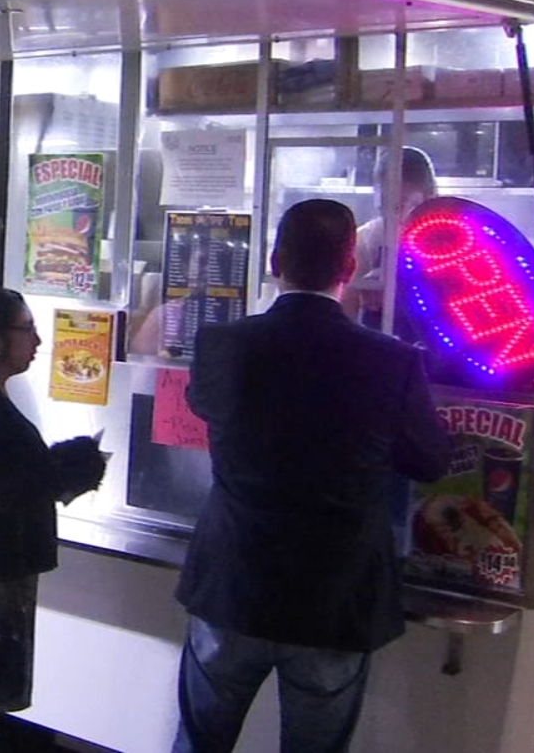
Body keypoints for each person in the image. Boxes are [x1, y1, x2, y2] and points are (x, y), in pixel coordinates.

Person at [172, 199, 452, 753]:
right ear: (349, 267)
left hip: (233, 585)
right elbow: (430, 461)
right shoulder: (391, 361)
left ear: (275, 260)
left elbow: (209, 407)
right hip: (335, 597)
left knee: (201, 743)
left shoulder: (223, 345)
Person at [0, 288, 107, 753]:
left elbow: (8, 476)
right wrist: (75, 467)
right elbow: (13, 493)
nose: (38, 340)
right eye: (27, 329)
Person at [344, 145, 438, 328]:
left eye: (400, 206)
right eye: (383, 206)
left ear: (429, 199)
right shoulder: (364, 241)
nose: (392, 218)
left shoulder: (457, 240)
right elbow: (345, 319)